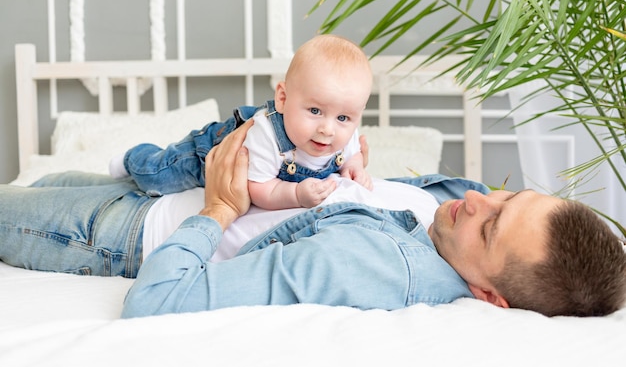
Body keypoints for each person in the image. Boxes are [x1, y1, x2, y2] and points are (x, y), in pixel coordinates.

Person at [1, 122, 625, 318]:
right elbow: (458, 201)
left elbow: (156, 303)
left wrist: (219, 209)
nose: (477, 203)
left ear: (491, 295)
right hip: (156, 190)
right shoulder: (449, 214)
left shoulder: (370, 268)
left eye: (488, 227)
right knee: (45, 180)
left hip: (124, 234)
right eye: (505, 195)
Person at [109, 34, 373, 210]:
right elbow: (258, 189)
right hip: (208, 154)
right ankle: (133, 158)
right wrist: (295, 196)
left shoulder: (344, 132)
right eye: (315, 111)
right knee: (159, 176)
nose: (327, 129)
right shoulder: (266, 137)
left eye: (343, 118)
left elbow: (353, 154)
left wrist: (354, 167)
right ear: (282, 98)